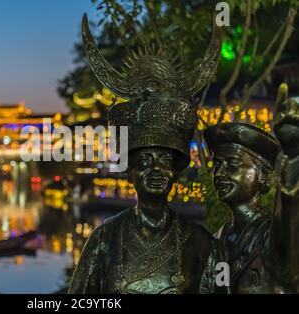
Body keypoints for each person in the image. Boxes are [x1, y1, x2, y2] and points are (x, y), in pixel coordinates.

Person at [68, 14, 223, 294]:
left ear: (176, 169)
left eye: (164, 160)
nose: (155, 170)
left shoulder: (199, 241)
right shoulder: (104, 238)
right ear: (129, 171)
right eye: (144, 161)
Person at [200, 84, 299, 293]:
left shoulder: (273, 237)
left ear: (263, 177)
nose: (219, 173)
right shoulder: (218, 243)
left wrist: (292, 154)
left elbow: (289, 210)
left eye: (233, 164)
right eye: (216, 165)